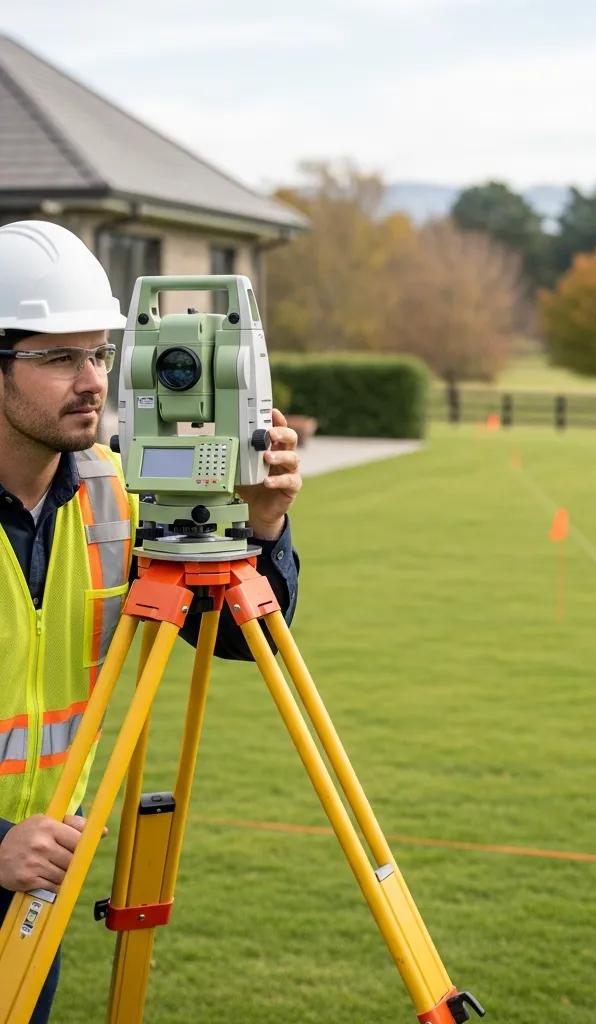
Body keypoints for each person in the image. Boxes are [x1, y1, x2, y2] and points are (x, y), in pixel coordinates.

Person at [0, 220, 302, 1022]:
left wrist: (261, 526)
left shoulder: (115, 493)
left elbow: (235, 637)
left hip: (36, 888)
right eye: (58, 356)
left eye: (98, 353)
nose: (92, 379)